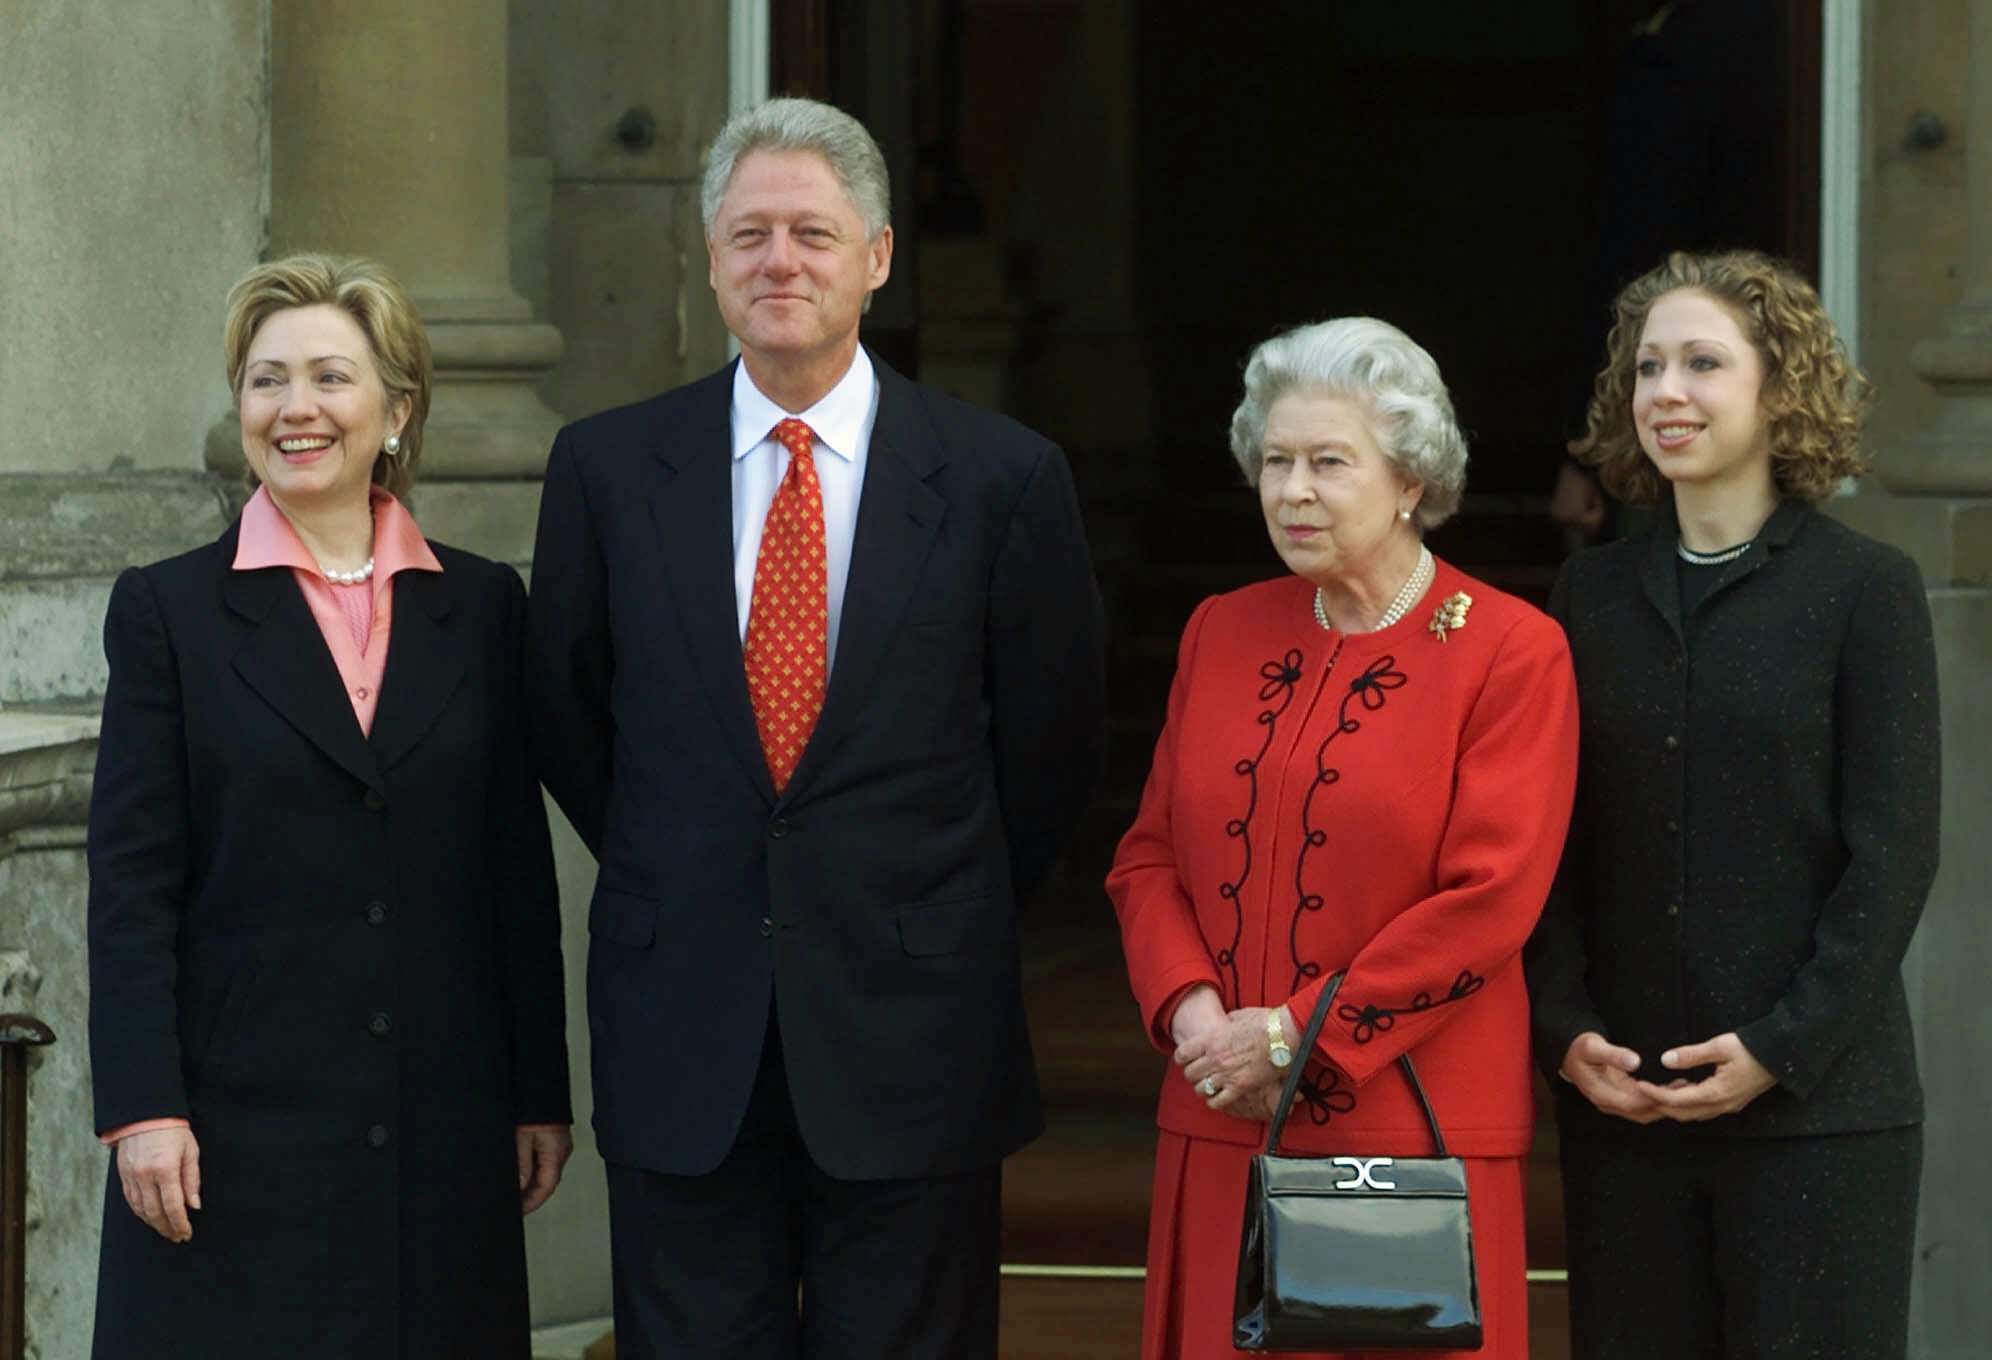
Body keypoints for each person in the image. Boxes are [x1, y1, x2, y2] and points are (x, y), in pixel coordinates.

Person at [525, 97, 1104, 1359]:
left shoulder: (1003, 478)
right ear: (710, 257)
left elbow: (1051, 746)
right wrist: (688, 853)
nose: (779, 261)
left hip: (917, 1031)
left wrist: (920, 888)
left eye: (812, 233)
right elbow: (569, 719)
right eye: (749, 236)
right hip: (684, 1023)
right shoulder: (609, 470)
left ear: (878, 256)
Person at [87, 254, 573, 1359]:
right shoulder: (168, 611)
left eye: (329, 378)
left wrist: (539, 1090)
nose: (294, 408)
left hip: (442, 1128)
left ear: (397, 410)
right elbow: (129, 883)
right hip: (232, 1135)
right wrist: (142, 1107)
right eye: (265, 381)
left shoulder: (485, 604)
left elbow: (514, 868)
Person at [1108, 317, 1579, 1359]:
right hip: (1218, 1114)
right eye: (1274, 461)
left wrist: (1291, 1035)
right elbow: (1147, 858)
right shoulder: (1221, 627)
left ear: (1410, 480)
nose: (1291, 490)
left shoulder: (1510, 649)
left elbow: (1491, 897)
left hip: (1405, 1141)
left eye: (1328, 462)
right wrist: (1193, 1015)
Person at [1528, 250, 1940, 1359]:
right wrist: (1564, 1030)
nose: (1667, 390)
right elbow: (1551, 839)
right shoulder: (1591, 592)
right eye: (1649, 365)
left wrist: (1779, 1045)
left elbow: (1894, 854)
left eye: (1703, 362)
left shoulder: (1866, 590)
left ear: (1779, 389)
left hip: (1819, 1114)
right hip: (1629, 1109)